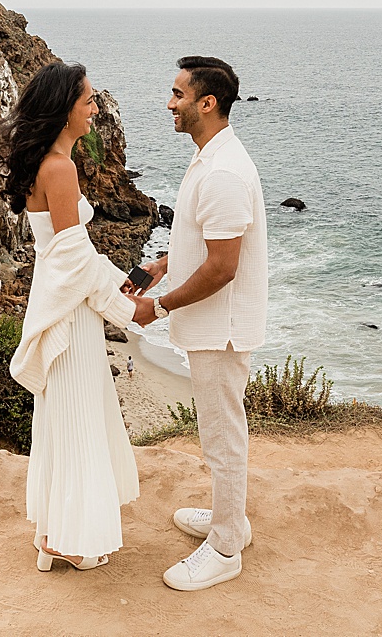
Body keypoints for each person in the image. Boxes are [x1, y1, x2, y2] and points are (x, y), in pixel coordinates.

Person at [126, 55, 267, 592]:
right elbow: (205, 243)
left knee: (222, 437)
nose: (169, 104)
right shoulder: (211, 158)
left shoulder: (224, 171)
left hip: (221, 328)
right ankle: (229, 518)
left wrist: (159, 306)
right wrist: (160, 265)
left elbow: (224, 267)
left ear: (207, 103)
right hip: (214, 325)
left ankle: (227, 547)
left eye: (178, 95)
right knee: (218, 432)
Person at [1, 61, 140, 573]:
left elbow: (69, 256)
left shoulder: (50, 161)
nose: (95, 109)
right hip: (69, 311)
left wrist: (114, 282)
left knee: (63, 417)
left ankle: (50, 534)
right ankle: (71, 541)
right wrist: (129, 306)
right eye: (88, 101)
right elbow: (76, 259)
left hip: (61, 297)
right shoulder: (60, 169)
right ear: (64, 111)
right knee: (78, 415)